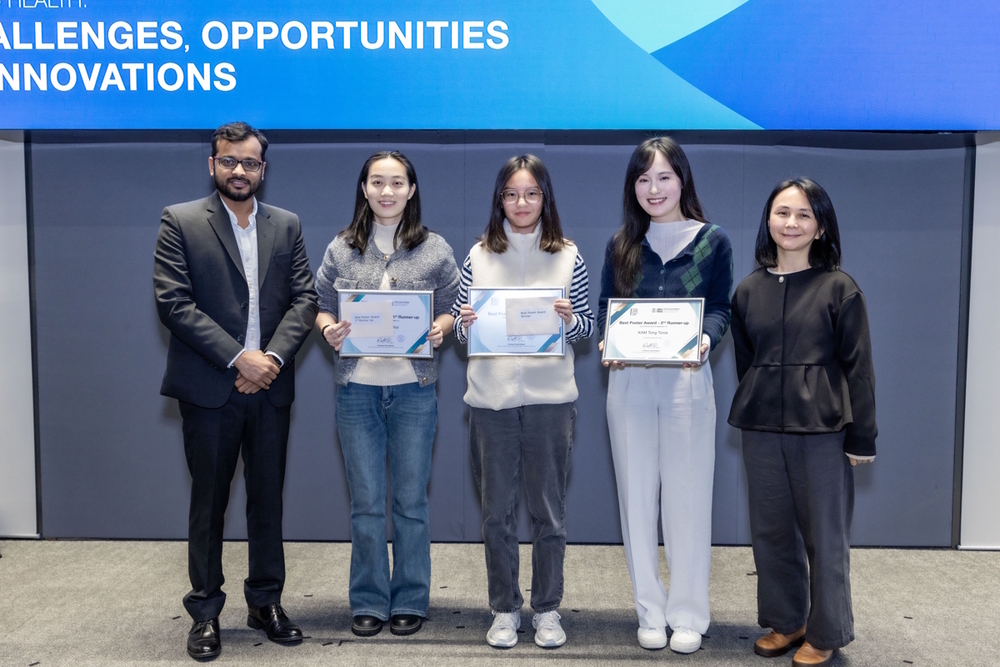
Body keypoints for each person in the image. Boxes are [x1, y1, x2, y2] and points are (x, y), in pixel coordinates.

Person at [153, 121, 318, 660]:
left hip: (269, 387)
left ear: (262, 169)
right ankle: (204, 612)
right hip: (210, 389)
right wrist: (238, 357)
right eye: (229, 161)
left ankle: (265, 602)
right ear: (212, 165)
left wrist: (267, 360)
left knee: (267, 502)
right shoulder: (179, 221)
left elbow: (304, 300)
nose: (239, 171)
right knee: (210, 504)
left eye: (249, 163)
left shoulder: (286, 225)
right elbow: (174, 304)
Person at [728, 178, 876, 667]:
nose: (791, 223)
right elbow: (746, 363)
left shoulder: (840, 288)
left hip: (824, 431)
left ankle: (826, 631)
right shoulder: (748, 290)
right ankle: (786, 620)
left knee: (825, 537)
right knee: (770, 531)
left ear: (820, 227)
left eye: (803, 215)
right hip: (762, 429)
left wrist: (862, 436)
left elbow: (859, 367)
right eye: (782, 213)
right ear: (768, 220)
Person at [314, 151, 459, 638]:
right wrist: (330, 328)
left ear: (411, 190)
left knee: (411, 502)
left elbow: (454, 309)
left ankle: (412, 598)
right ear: (364, 188)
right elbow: (318, 305)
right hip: (356, 389)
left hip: (414, 390)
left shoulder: (435, 248)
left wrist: (439, 329)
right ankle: (370, 599)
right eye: (378, 182)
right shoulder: (340, 247)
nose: (387, 191)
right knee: (367, 502)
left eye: (397, 183)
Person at [451, 155, 594, 649]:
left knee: (548, 512)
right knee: (497, 514)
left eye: (531, 193)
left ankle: (548, 609)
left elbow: (587, 330)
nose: (521, 202)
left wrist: (569, 319)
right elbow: (459, 323)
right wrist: (465, 321)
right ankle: (505, 608)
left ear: (545, 198)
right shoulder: (477, 255)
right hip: (491, 400)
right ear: (499, 200)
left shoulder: (569, 255)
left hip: (551, 399)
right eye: (511, 194)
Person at [597, 137, 733, 654]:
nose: (654, 189)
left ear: (683, 180)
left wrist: (704, 339)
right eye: (643, 179)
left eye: (664, 177)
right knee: (636, 500)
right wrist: (610, 340)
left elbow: (720, 307)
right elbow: (610, 309)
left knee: (689, 498)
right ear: (633, 187)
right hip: (629, 380)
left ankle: (689, 614)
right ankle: (649, 612)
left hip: (686, 381)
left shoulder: (712, 240)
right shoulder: (620, 244)